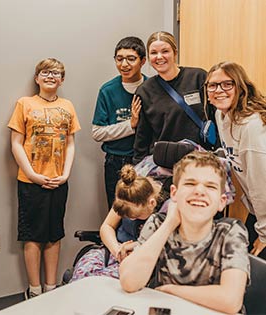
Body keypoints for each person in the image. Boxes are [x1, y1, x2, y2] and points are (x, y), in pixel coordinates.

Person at [119, 151, 249, 314]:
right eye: (190, 183)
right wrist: (169, 224)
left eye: (210, 186)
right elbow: (129, 281)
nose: (200, 191)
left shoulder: (230, 232)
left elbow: (231, 301)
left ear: (222, 202)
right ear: (174, 193)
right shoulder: (158, 224)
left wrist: (170, 291)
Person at [8, 58, 81, 299]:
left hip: (59, 182)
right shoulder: (25, 103)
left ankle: (51, 288)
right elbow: (16, 143)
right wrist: (32, 174)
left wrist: (66, 173)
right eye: (46, 72)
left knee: (54, 234)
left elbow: (70, 143)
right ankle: (35, 290)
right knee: (32, 235)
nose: (51, 76)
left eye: (56, 73)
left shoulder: (67, 106)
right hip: (31, 183)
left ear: (62, 80)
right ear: (37, 78)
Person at [205, 61, 266, 259]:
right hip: (258, 211)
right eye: (212, 85)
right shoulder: (221, 115)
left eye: (227, 84)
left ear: (240, 87)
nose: (219, 90)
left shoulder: (252, 125)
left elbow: (261, 185)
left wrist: (264, 235)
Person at [133, 31, 216, 164]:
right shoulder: (144, 90)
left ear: (175, 53)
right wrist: (139, 167)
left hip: (199, 160)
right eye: (154, 53)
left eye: (165, 51)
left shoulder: (198, 77)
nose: (159, 57)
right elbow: (142, 137)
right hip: (165, 163)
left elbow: (216, 115)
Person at [71, 164, 162, 281]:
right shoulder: (127, 194)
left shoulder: (165, 212)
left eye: (135, 216)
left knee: (101, 282)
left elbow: (162, 245)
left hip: (140, 260)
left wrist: (134, 247)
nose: (131, 219)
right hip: (115, 250)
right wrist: (117, 250)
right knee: (83, 274)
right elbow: (107, 226)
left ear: (151, 203)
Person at [92, 36, 147, 208]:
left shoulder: (152, 87)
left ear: (143, 61)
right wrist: (130, 125)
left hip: (146, 160)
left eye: (131, 59)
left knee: (143, 210)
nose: (124, 64)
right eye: (119, 59)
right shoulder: (108, 90)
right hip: (116, 161)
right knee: (118, 209)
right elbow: (97, 132)